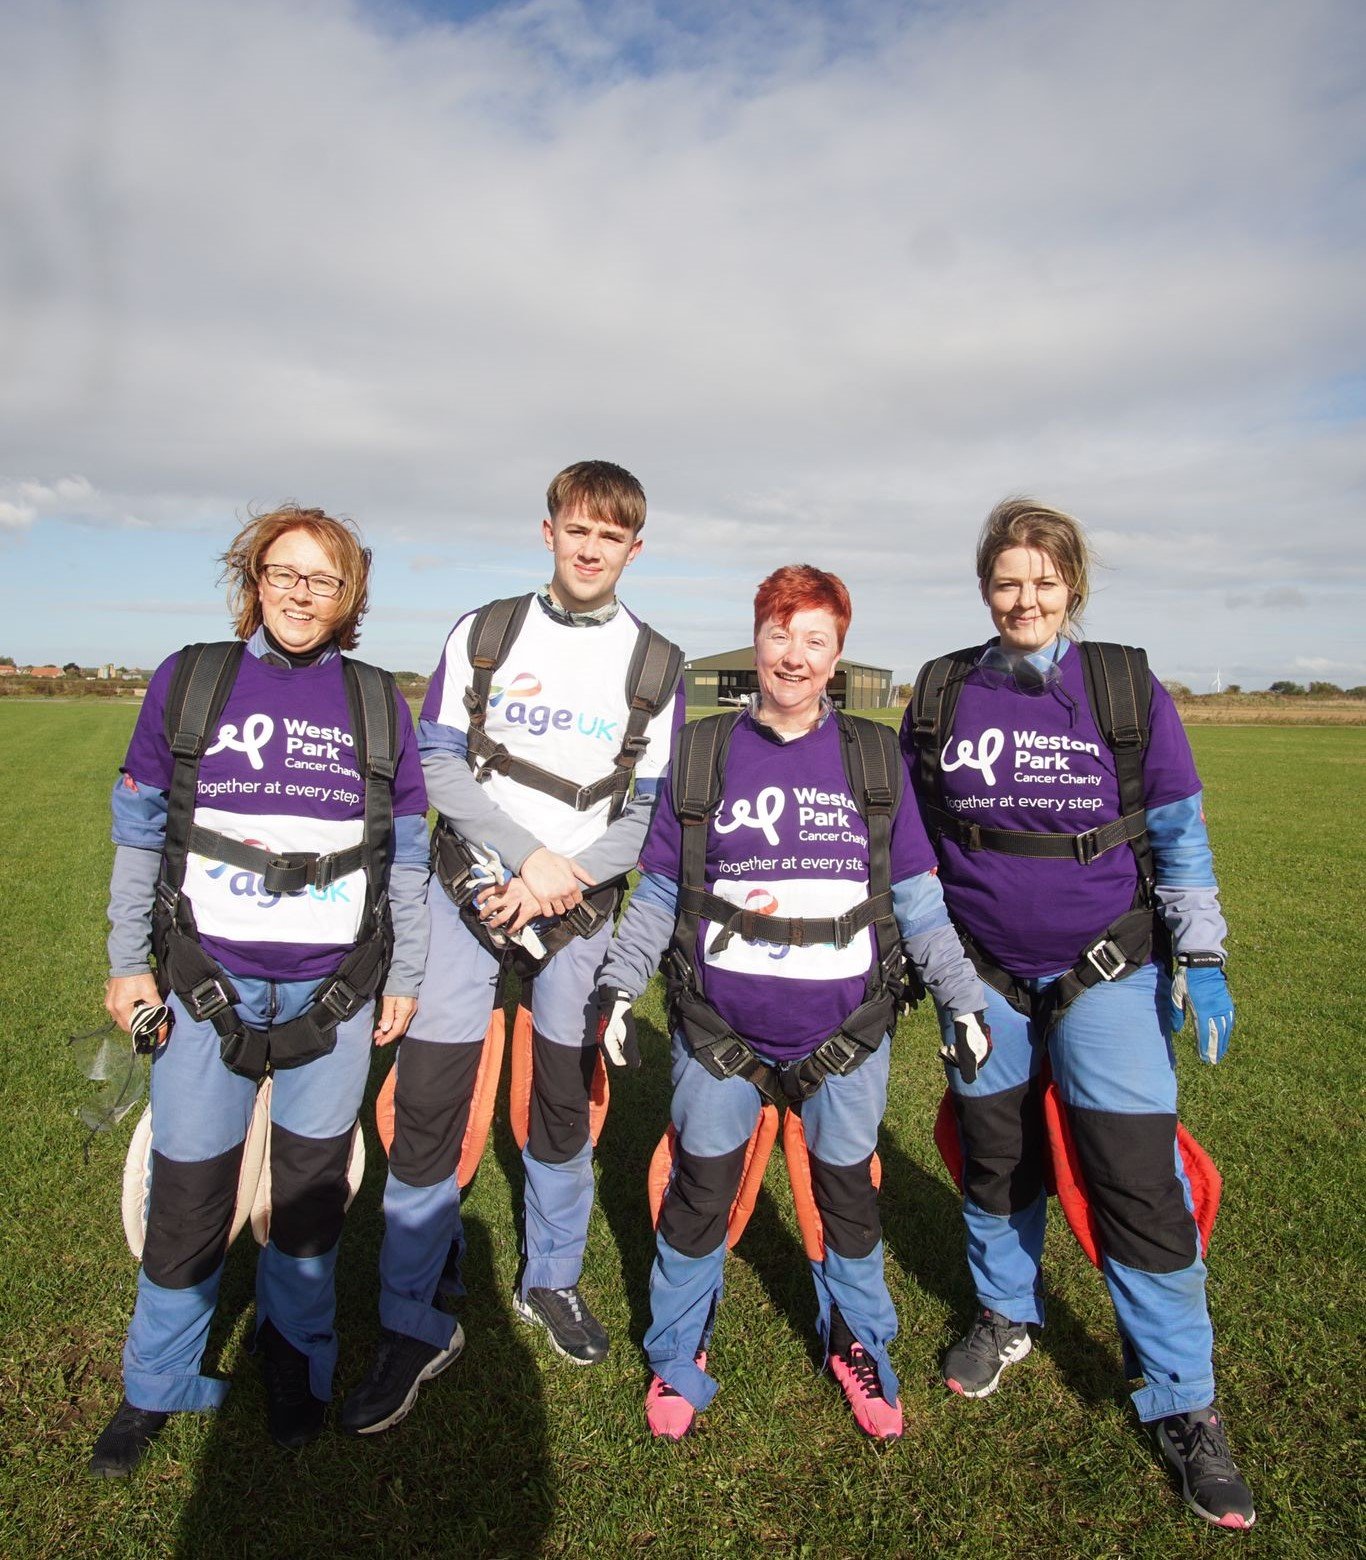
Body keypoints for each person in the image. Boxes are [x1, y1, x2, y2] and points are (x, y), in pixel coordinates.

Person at [901, 498, 1255, 1529]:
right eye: (1007, 581)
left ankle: (1184, 1401)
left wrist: (1203, 954)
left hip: (1108, 968)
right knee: (993, 1155)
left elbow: (1179, 831)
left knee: (1134, 1179)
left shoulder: (1120, 688)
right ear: (985, 588)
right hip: (982, 977)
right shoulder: (939, 693)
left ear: (1072, 588)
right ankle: (1005, 1312)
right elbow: (912, 846)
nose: (1025, 598)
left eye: (1044, 582)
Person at [598, 564, 988, 1441]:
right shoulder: (701, 751)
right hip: (717, 1030)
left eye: (816, 639)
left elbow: (918, 896)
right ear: (757, 640)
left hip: (847, 1033)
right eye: (780, 634)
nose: (795, 655)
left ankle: (860, 1346)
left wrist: (962, 999)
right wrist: (622, 983)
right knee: (700, 1194)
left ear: (838, 654)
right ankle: (676, 1354)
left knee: (848, 1199)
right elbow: (659, 893)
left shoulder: (873, 756)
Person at [341, 460, 683, 1435]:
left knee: (561, 1113)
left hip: (573, 914)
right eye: (576, 529)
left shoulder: (657, 664)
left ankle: (552, 1282)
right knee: (434, 1108)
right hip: (470, 898)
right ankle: (412, 1321)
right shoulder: (485, 631)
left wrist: (559, 878)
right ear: (549, 532)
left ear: (632, 549)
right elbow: (437, 760)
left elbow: (651, 814)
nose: (589, 548)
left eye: (610, 536)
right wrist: (522, 859)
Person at [89, 505, 430, 1478]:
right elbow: (140, 831)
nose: (298, 592)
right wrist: (128, 959)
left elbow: (404, 862)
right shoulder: (192, 681)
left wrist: (401, 974)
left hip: (334, 996)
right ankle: (157, 1384)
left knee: (309, 1204)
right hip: (205, 989)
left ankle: (295, 1372)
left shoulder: (376, 704)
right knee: (189, 1197)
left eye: (322, 579)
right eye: (283, 572)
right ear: (254, 577)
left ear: (348, 594)